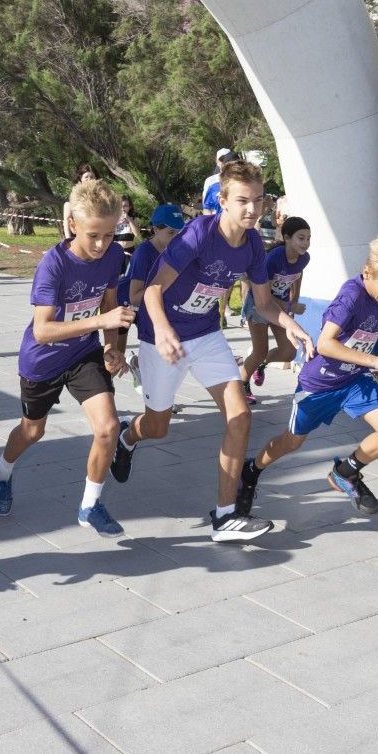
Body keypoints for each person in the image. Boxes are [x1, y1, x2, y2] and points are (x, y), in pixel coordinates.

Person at [111, 160, 315, 542]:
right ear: (222, 200)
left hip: (205, 336)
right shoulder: (197, 235)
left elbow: (265, 303)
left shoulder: (254, 243)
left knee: (240, 417)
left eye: (258, 200)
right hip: (163, 336)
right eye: (242, 201)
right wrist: (166, 332)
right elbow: (152, 289)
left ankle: (225, 517)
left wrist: (293, 327)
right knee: (157, 426)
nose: (252, 209)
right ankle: (127, 437)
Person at [0, 179, 134, 535]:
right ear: (73, 225)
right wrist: (103, 321)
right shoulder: (53, 265)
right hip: (42, 360)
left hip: (83, 353)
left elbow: (109, 302)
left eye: (109, 234)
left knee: (109, 427)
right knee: (32, 431)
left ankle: (90, 505)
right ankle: (1, 470)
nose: (102, 245)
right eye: (93, 235)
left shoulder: (115, 255)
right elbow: (42, 330)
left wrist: (113, 346)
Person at [237, 233, 378, 519]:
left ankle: (345, 473)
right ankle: (252, 469)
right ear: (367, 272)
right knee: (292, 442)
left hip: (355, 380)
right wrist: (376, 360)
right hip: (319, 384)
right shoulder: (351, 296)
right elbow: (325, 344)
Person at [238, 216, 310, 404]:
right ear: (287, 238)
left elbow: (298, 275)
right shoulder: (274, 259)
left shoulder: (304, 258)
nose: (306, 243)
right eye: (301, 238)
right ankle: (242, 385)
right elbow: (264, 297)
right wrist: (290, 306)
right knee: (260, 350)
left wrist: (294, 299)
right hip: (259, 306)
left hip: (281, 307)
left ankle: (261, 365)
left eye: (308, 238)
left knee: (289, 352)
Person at [119, 203, 185, 391]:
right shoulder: (143, 254)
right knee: (115, 359)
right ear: (156, 229)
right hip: (125, 305)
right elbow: (134, 297)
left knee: (161, 351)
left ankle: (157, 394)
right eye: (171, 233)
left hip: (149, 306)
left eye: (180, 234)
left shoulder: (177, 251)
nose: (176, 239)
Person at [61, 164, 97, 237]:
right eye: (86, 177)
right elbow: (67, 221)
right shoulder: (74, 195)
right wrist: (68, 239)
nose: (89, 179)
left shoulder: (100, 197)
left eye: (92, 177)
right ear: (81, 178)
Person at [201, 147, 233, 215]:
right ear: (217, 162)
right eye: (221, 160)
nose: (224, 162)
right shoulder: (210, 181)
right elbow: (206, 207)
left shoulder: (240, 179)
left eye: (227, 160)